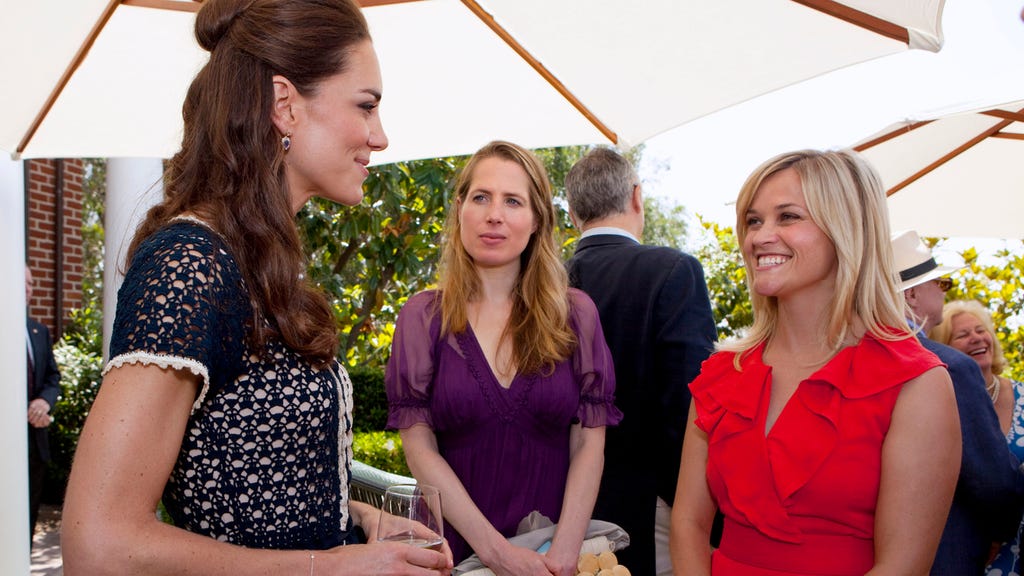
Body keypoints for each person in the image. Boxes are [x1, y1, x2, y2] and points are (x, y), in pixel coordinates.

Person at [61, 1, 453, 574]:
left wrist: (358, 519)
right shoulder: (189, 264)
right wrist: (330, 566)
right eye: (366, 106)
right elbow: (97, 543)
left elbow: (262, 486)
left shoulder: (257, 263)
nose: (381, 135)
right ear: (284, 105)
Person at [670, 149, 962, 575]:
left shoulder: (915, 382)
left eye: (787, 217)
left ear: (847, 229)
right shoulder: (722, 374)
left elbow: (902, 565)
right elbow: (688, 523)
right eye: (754, 220)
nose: (760, 236)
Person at [385, 140, 622, 576]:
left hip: (553, 552)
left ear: (536, 221)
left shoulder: (576, 315)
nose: (495, 214)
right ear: (460, 210)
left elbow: (590, 440)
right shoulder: (422, 318)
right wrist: (495, 553)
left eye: (513, 201)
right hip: (452, 556)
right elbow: (418, 445)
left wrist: (565, 553)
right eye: (481, 197)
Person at [563, 146, 716, 576]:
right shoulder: (673, 270)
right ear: (636, 198)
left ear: (574, 212)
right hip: (654, 509)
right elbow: (691, 404)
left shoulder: (547, 281)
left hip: (557, 508)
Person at [892, 230, 1024, 576]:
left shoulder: (850, 356)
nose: (943, 291)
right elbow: (992, 482)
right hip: (947, 557)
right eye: (941, 283)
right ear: (912, 293)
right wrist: (1000, 528)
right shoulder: (949, 366)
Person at [931, 298, 1024, 575]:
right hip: (964, 553)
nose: (976, 339)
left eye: (980, 331)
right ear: (946, 350)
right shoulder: (940, 406)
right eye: (963, 335)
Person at [25, 266, 61, 544]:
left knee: (28, 514)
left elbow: (52, 375)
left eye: (31, 283)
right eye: (21, 282)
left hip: (34, 442)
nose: (28, 288)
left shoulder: (39, 332)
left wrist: (43, 402)